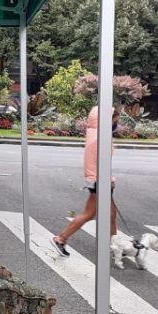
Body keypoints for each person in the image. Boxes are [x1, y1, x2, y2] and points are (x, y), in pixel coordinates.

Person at [51, 105, 120, 256]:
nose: (116, 123)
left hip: (97, 179)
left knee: (111, 213)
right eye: (115, 120)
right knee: (90, 213)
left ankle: (115, 244)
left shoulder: (97, 134)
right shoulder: (100, 138)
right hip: (98, 181)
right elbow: (101, 164)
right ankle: (61, 238)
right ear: (106, 120)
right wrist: (109, 180)